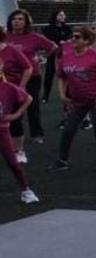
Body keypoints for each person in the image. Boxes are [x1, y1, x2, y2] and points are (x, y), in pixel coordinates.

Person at [46, 26, 96, 173]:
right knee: (68, 130)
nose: (73, 39)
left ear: (87, 40)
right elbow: (61, 76)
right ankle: (62, 161)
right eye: (73, 36)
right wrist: (62, 94)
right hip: (77, 101)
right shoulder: (67, 56)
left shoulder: (95, 56)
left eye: (77, 37)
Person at [5, 9, 56, 153]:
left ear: (26, 22)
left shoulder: (34, 37)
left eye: (21, 19)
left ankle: (37, 134)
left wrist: (42, 58)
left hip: (31, 77)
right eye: (14, 19)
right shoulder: (5, 36)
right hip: (10, 78)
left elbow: (53, 47)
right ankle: (13, 134)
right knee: (11, 106)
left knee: (32, 106)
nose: (17, 21)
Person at [0, 68, 37, 204]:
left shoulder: (8, 88)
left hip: (2, 130)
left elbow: (29, 98)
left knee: (13, 163)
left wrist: (17, 114)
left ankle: (26, 190)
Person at [0, 28, 33, 165]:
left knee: (14, 122)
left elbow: (28, 67)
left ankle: (19, 151)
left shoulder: (11, 50)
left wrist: (21, 86)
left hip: (10, 91)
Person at [41, 10, 71, 102]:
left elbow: (70, 38)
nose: (63, 16)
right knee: (49, 74)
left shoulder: (67, 28)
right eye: (60, 15)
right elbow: (46, 41)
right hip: (53, 55)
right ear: (55, 16)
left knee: (68, 74)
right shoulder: (48, 29)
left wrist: (66, 42)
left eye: (63, 15)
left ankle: (68, 94)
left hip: (64, 55)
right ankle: (45, 95)